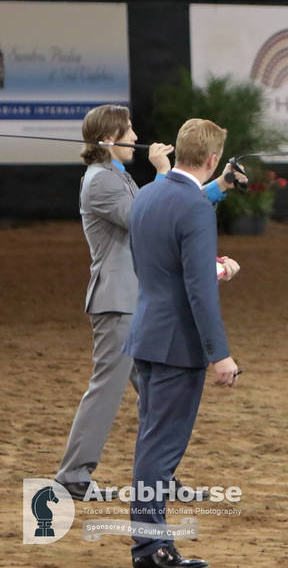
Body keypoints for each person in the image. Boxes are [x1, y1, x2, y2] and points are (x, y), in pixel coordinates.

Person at [55, 105, 245, 502]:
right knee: (108, 389)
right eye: (128, 131)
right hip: (118, 300)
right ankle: (74, 474)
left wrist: (220, 186)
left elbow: (169, 204)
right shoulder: (100, 181)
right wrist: (163, 172)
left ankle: (158, 476)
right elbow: (147, 215)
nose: (135, 137)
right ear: (109, 139)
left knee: (156, 398)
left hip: (134, 301)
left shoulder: (115, 175)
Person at [125, 118, 241, 568]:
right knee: (161, 450)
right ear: (212, 160)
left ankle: (150, 544)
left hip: (147, 332)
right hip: (177, 344)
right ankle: (151, 548)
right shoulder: (195, 206)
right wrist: (220, 354)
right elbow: (198, 288)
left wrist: (214, 269)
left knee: (150, 444)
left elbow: (159, 265)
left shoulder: (147, 193)